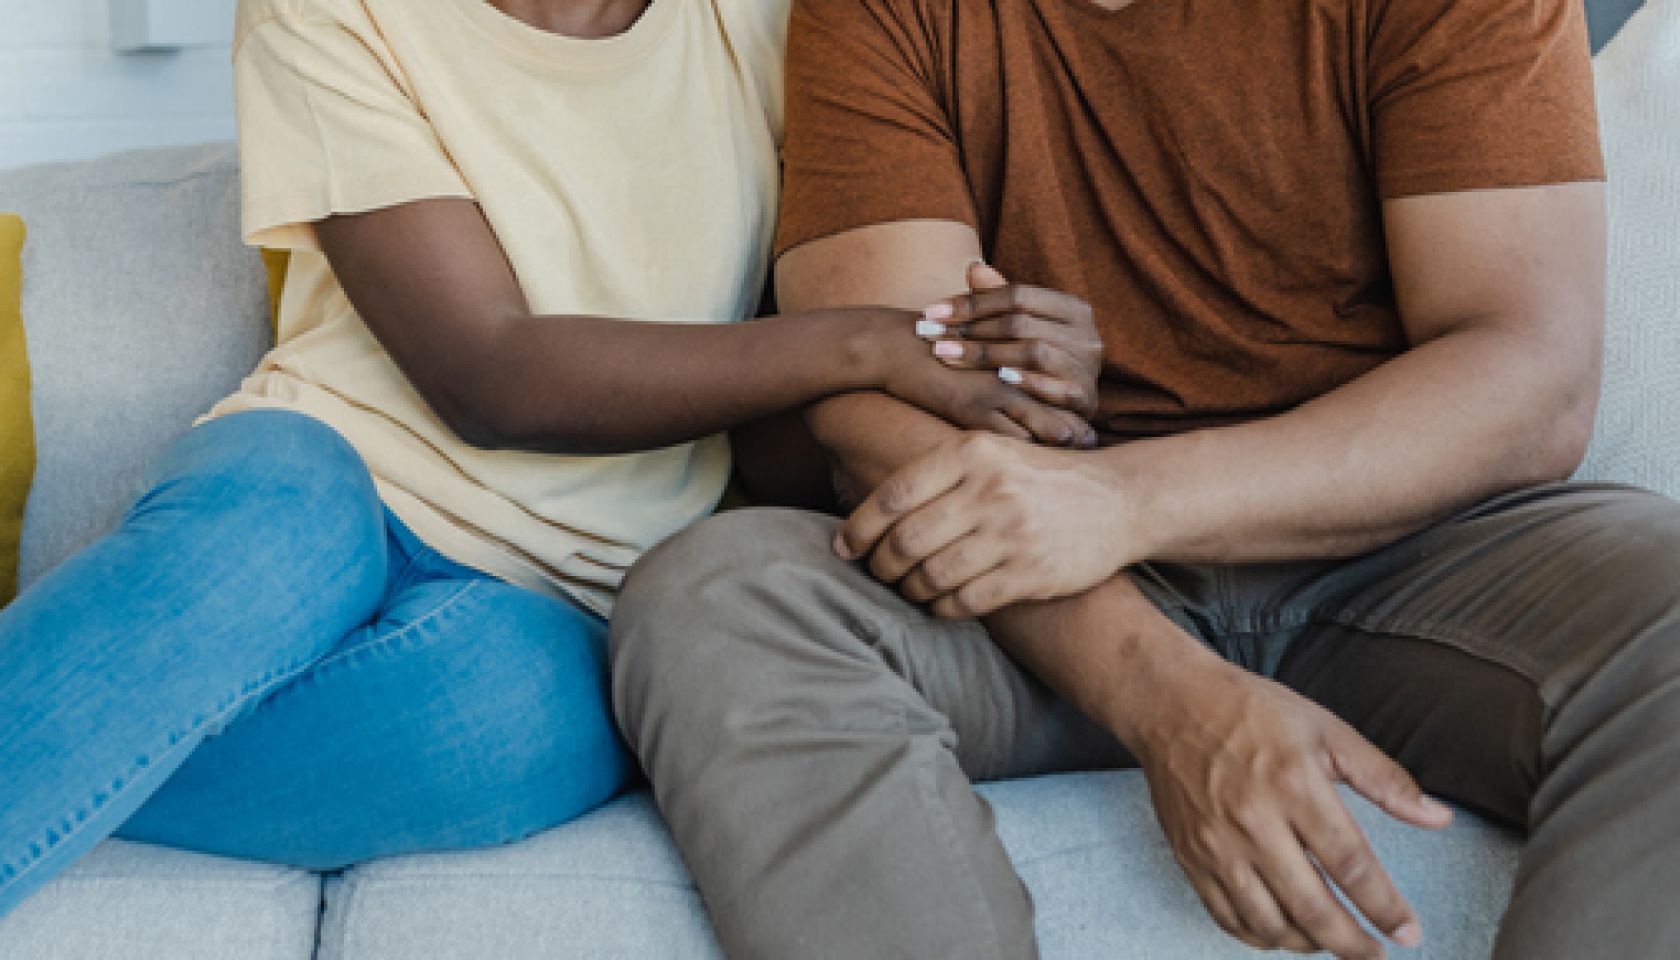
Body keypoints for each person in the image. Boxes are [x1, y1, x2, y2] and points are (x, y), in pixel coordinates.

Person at [610, 0, 1680, 958]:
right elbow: (880, 414)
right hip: (1035, 592)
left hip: (1407, 552)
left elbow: (1528, 376)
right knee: (715, 599)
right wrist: (1168, 701)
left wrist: (1125, 502)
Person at [0, 0, 1101, 920]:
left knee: (522, 731)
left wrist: (973, 362)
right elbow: (488, 374)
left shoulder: (765, 21)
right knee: (268, 537)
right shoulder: (331, 7)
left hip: (559, 604)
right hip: (322, 476)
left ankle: (73, 710)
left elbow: (772, 435)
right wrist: (864, 339)